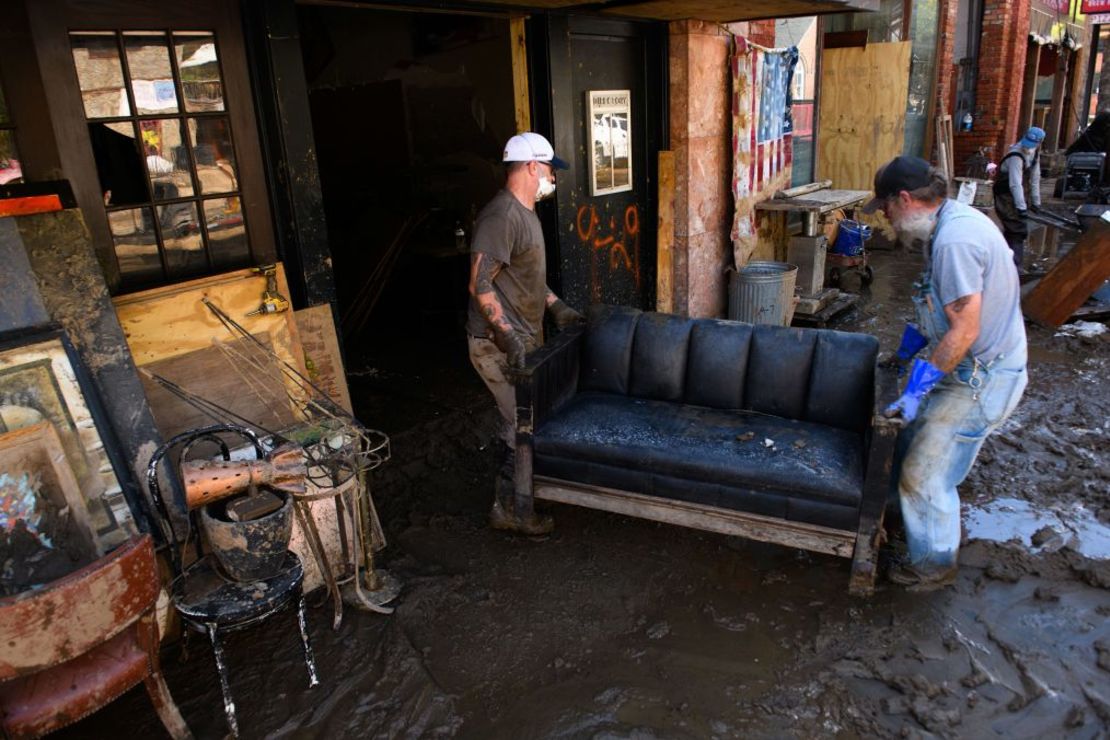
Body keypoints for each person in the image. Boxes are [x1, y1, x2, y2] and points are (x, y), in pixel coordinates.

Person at [863, 156, 1028, 591]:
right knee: (909, 444)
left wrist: (915, 391)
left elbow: (963, 332)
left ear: (904, 200)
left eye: (885, 206)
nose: (884, 215)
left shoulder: (956, 241)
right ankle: (898, 524)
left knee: (926, 473)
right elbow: (931, 309)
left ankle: (933, 565)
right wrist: (901, 357)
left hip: (981, 378)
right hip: (967, 368)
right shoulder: (945, 226)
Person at [466, 132, 583, 535]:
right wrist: (509, 338)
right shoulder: (501, 217)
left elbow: (524, 280)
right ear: (532, 166)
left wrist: (558, 308)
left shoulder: (526, 213)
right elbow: (479, 285)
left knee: (524, 420)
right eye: (550, 168)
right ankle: (509, 509)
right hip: (495, 346)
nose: (553, 176)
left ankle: (520, 495)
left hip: (523, 338)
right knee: (520, 424)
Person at [992, 126, 1045, 270]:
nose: (1028, 147)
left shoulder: (1035, 154)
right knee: (1016, 228)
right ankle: (1015, 266)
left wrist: (1036, 202)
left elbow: (1035, 178)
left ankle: (1006, 263)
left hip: (1018, 194)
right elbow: (1015, 184)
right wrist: (1021, 207)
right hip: (1005, 195)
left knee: (1014, 230)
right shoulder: (1016, 155)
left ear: (1039, 143)